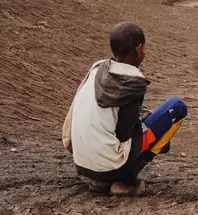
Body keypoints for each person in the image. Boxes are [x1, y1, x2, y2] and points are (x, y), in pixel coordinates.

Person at [62, 21, 187, 196]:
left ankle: (100, 181)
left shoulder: (97, 68)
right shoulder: (132, 81)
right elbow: (124, 133)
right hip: (109, 164)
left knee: (143, 124)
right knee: (176, 108)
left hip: (82, 161)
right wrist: (157, 134)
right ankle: (124, 181)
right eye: (144, 49)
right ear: (138, 49)